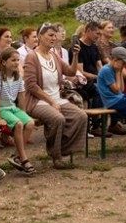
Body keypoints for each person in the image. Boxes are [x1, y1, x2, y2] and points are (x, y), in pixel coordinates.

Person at [22, 23, 88, 169]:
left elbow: (71, 72)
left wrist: (75, 55)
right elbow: (31, 85)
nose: (54, 38)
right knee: (57, 118)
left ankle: (63, 149)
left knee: (81, 116)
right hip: (37, 101)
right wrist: (51, 102)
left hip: (56, 99)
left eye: (55, 35)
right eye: (50, 35)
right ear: (40, 37)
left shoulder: (54, 55)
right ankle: (56, 156)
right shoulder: (32, 57)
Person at [0, 47, 36, 175]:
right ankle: (23, 158)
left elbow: (21, 96)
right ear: (4, 62)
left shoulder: (18, 76)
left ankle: (16, 155)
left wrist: (23, 113)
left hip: (11, 108)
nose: (16, 63)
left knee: (30, 123)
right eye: (13, 60)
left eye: (18, 60)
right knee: (18, 124)